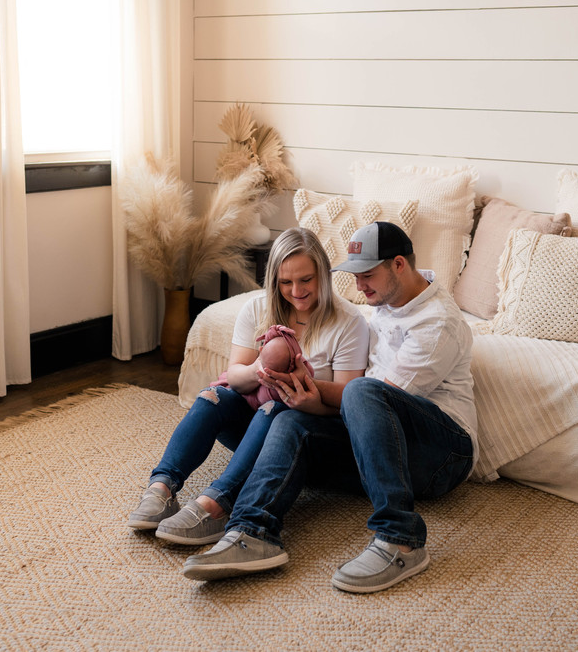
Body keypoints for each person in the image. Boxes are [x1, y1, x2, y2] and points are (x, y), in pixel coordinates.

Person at [181, 221, 478, 593]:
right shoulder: (390, 298)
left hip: (443, 455)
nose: (359, 286)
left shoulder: (437, 323)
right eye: (355, 276)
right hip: (385, 443)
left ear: (399, 265)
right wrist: (309, 401)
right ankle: (252, 532)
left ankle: (401, 539)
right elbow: (365, 415)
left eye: (367, 275)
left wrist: (296, 379)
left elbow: (373, 400)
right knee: (290, 420)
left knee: (359, 391)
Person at [126, 227, 370, 546]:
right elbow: (236, 376)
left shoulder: (349, 322)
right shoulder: (257, 309)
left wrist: (303, 391)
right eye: (285, 282)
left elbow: (348, 398)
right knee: (213, 397)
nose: (296, 290)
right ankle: (161, 488)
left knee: (275, 408)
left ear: (323, 274)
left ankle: (216, 505)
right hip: (254, 423)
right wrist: (261, 370)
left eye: (306, 280)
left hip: (303, 436)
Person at [209, 324, 313, 411]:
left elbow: (309, 380)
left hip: (275, 411)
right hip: (244, 393)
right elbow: (232, 377)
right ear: (261, 349)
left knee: (268, 410)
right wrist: (255, 370)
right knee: (208, 397)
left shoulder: (299, 372)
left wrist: (304, 382)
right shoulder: (254, 310)